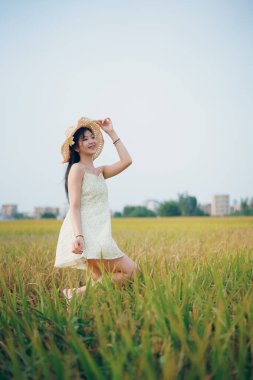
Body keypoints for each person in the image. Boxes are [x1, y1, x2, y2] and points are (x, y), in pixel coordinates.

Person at [54, 116, 140, 301]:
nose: (91, 141)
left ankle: (75, 298)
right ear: (76, 147)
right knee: (132, 271)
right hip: (87, 235)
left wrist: (111, 132)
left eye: (92, 137)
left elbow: (127, 160)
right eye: (85, 139)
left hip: (100, 233)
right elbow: (74, 207)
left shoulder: (100, 172)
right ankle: (74, 295)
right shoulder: (77, 169)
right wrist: (79, 236)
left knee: (103, 281)